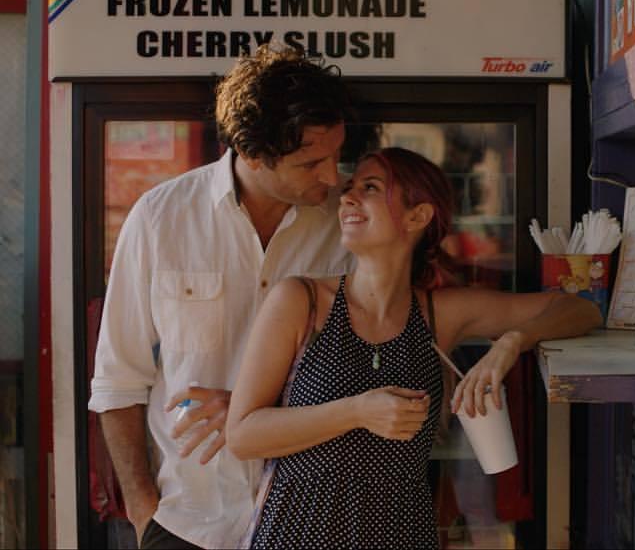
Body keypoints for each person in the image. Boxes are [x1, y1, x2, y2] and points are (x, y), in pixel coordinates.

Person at [226, 147, 602, 548]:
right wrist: (356, 411)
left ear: (417, 216)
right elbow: (243, 436)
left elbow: (581, 309)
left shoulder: (441, 313)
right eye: (350, 188)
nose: (347, 197)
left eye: (369, 187)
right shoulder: (301, 299)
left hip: (401, 533)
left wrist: (511, 344)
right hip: (299, 532)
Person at [88, 45, 355, 550]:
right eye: (311, 162)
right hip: (190, 523)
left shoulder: (350, 222)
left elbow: (379, 364)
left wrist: (259, 410)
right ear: (253, 154)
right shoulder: (160, 218)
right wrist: (146, 516)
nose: (331, 176)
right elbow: (117, 382)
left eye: (337, 154)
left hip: (317, 521)